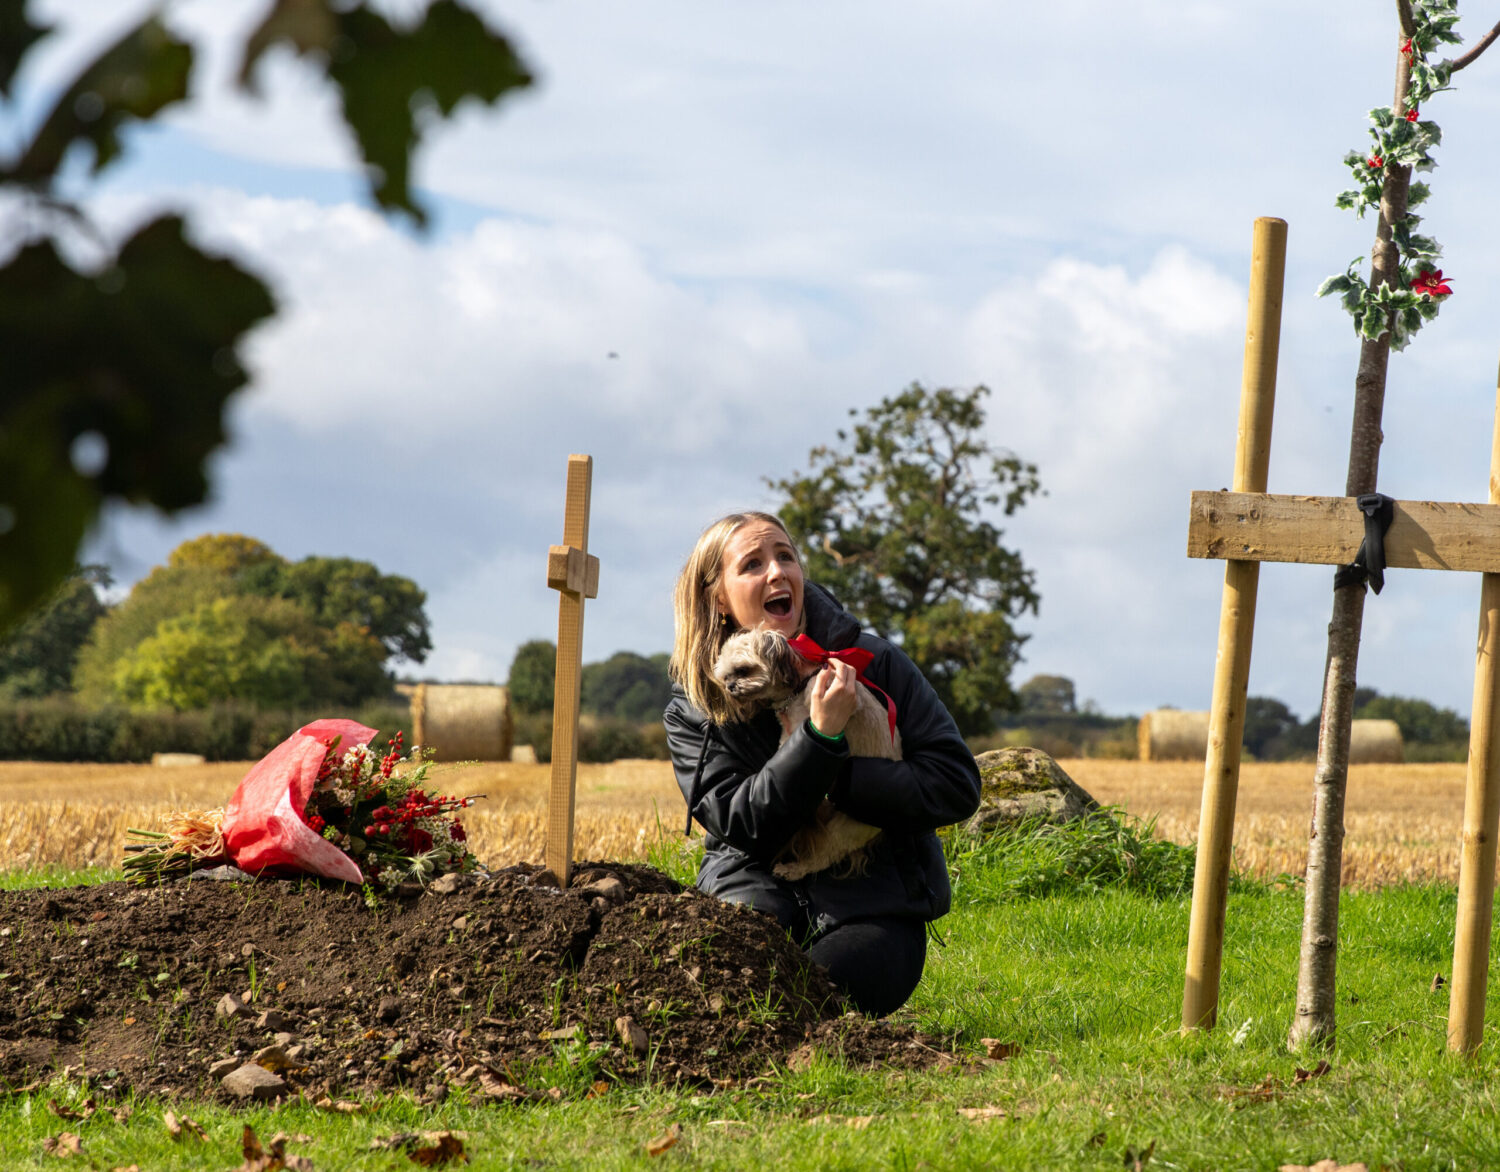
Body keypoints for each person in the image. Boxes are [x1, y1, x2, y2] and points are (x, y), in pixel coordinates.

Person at [664, 511, 981, 1015]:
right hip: (751, 892)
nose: (776, 572)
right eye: (752, 564)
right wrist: (817, 739)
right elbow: (743, 822)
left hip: (874, 902)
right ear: (718, 598)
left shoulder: (872, 662)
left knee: (814, 999)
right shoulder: (695, 706)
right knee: (744, 992)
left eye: (785, 556)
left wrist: (845, 776)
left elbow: (956, 784)